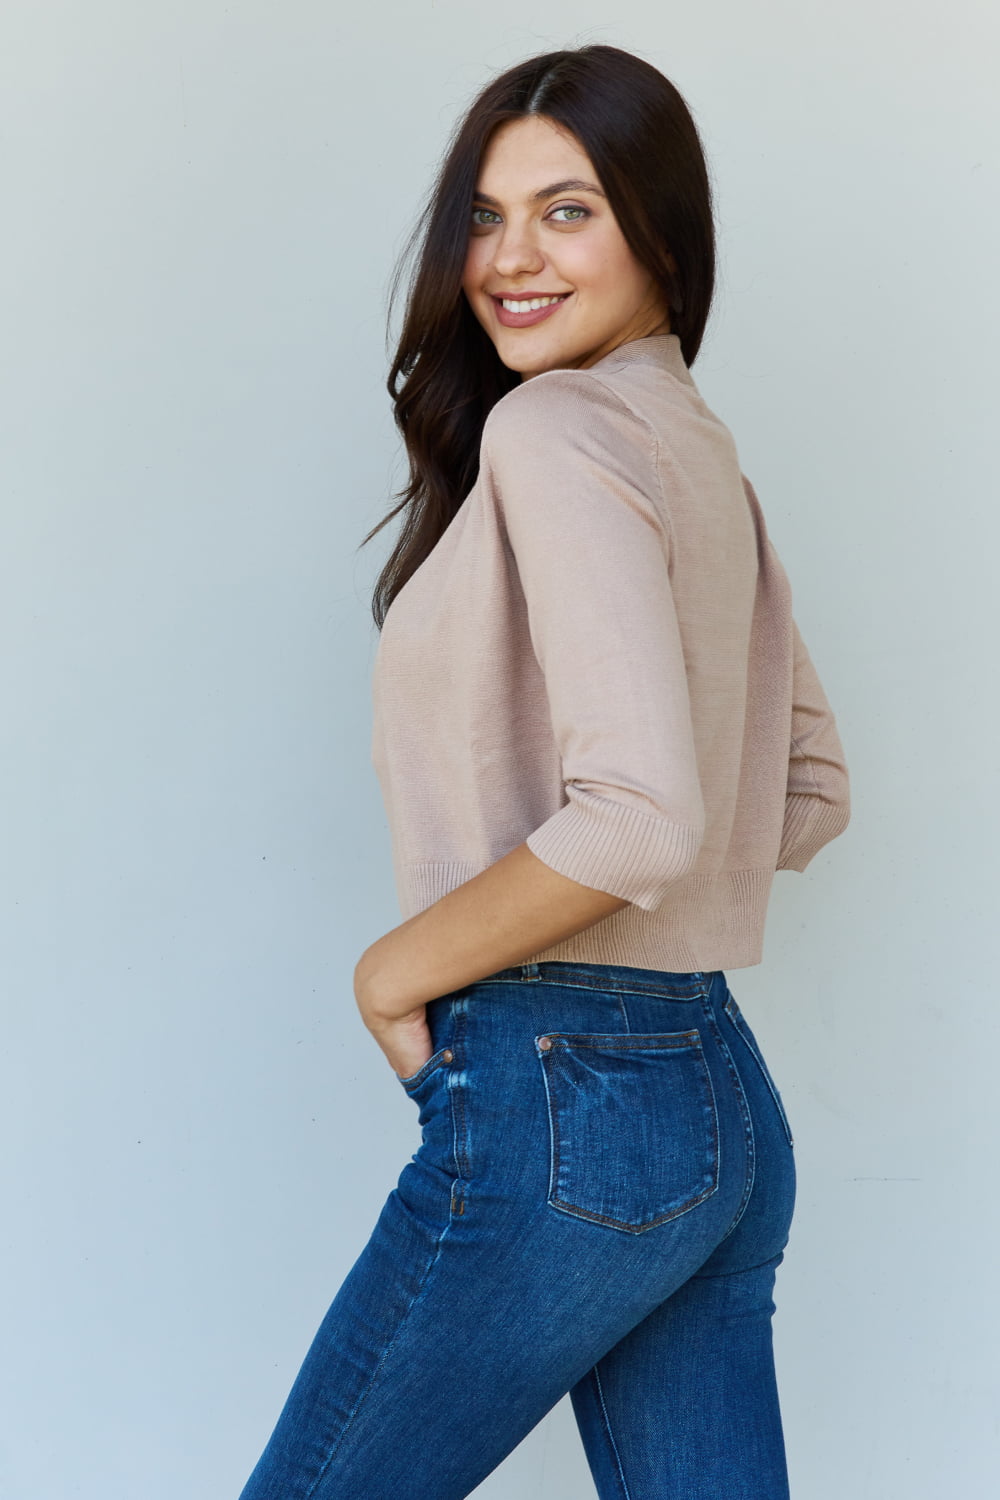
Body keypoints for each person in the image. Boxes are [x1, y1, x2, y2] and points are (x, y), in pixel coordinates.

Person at [238, 42, 850, 1500]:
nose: (510, 258)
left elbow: (640, 821)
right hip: (716, 1101)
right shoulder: (701, 453)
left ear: (662, 231)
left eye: (567, 211)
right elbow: (812, 791)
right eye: (485, 215)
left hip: (567, 1095)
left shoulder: (560, 427)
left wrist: (391, 975)